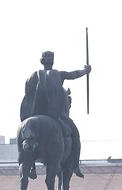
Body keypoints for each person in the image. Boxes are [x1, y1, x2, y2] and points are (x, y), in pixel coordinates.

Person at [19, 50, 90, 178]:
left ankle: (31, 168)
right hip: (55, 114)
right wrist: (86, 71)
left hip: (36, 112)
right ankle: (75, 165)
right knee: (75, 134)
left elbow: (27, 92)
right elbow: (73, 74)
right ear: (51, 61)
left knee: (28, 139)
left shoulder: (35, 75)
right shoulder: (58, 74)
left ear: (42, 61)